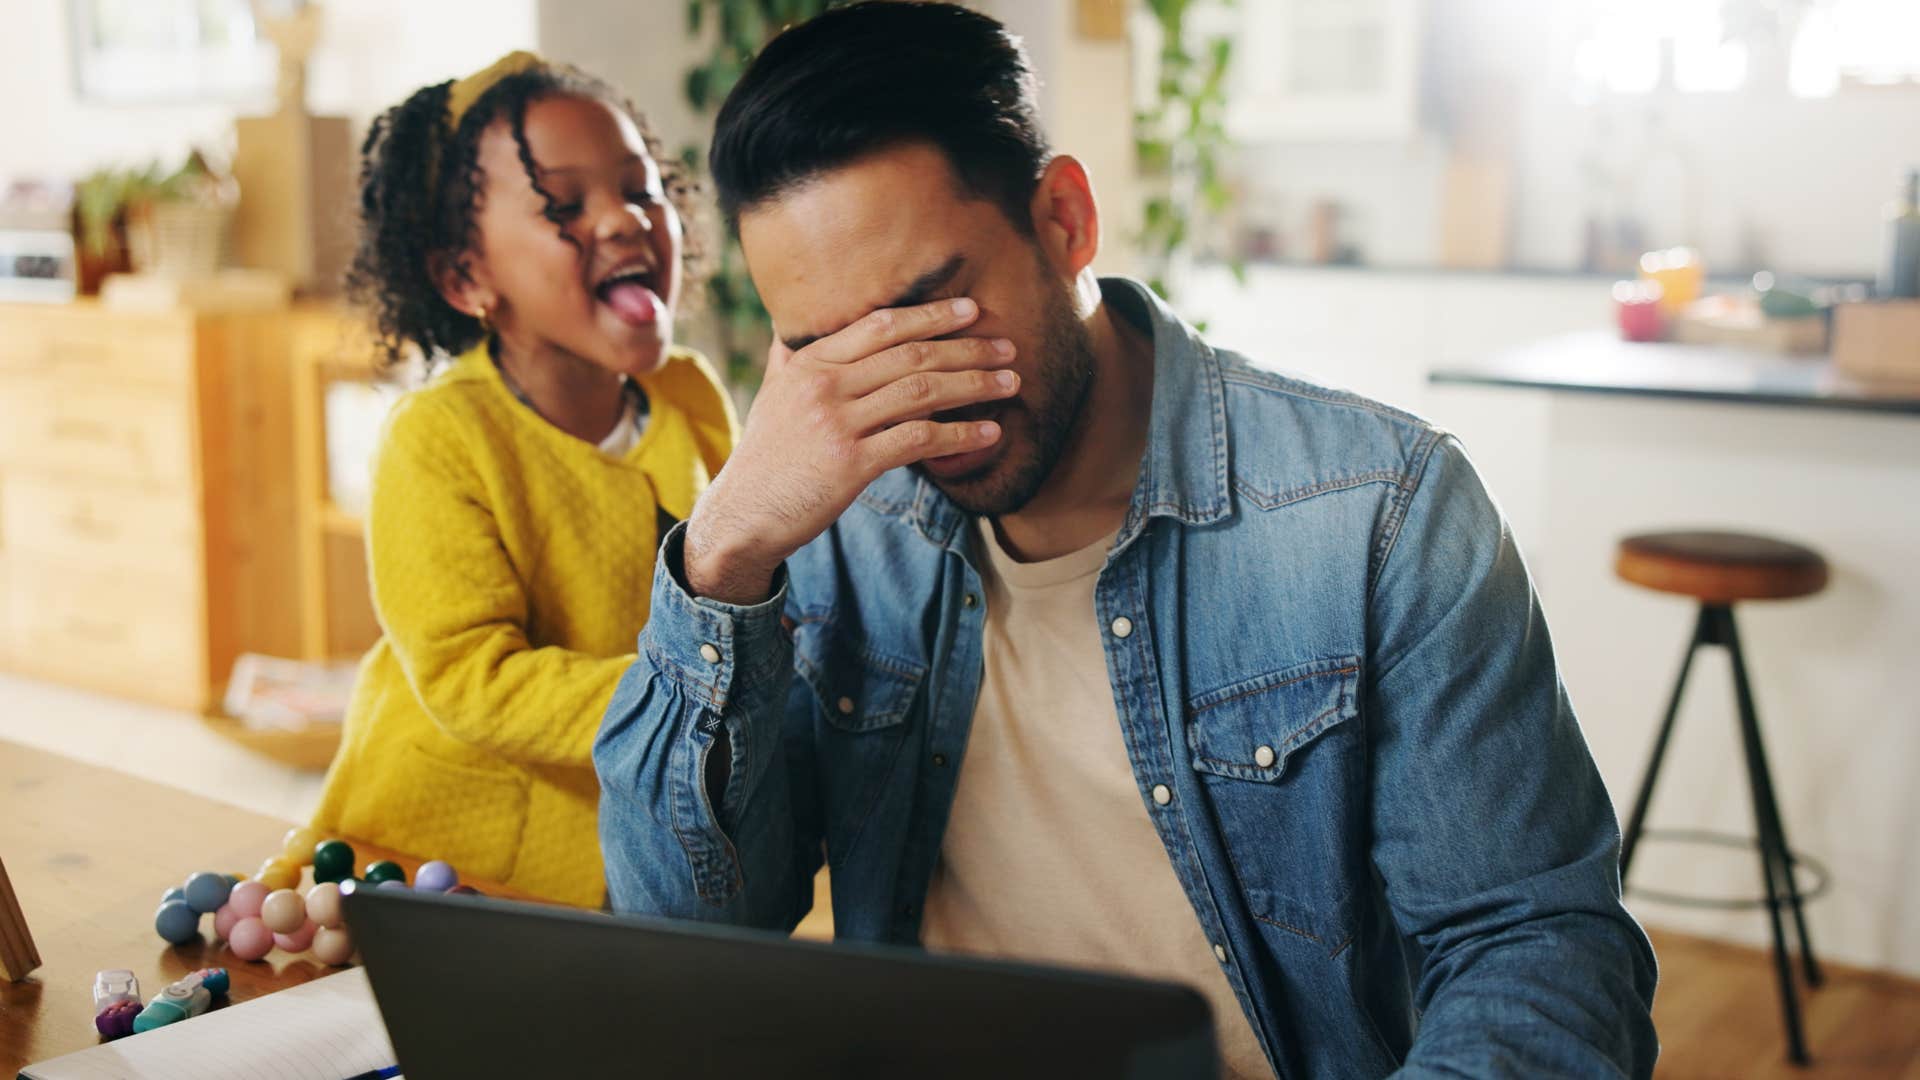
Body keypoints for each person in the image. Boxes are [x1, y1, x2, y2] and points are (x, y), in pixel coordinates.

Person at [594, 4, 1657, 1075]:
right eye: (830, 353)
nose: (901, 394)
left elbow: (1537, 952)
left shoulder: (1381, 514)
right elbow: (688, 937)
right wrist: (722, 554)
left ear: (1064, 220)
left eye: (933, 309)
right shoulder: (826, 535)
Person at [313, 51, 734, 907]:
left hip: (640, 833)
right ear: (467, 278)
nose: (624, 221)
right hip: (460, 857)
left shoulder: (686, 392)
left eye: (641, 188)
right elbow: (473, 676)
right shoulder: (439, 437)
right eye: (566, 205)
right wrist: (696, 693)